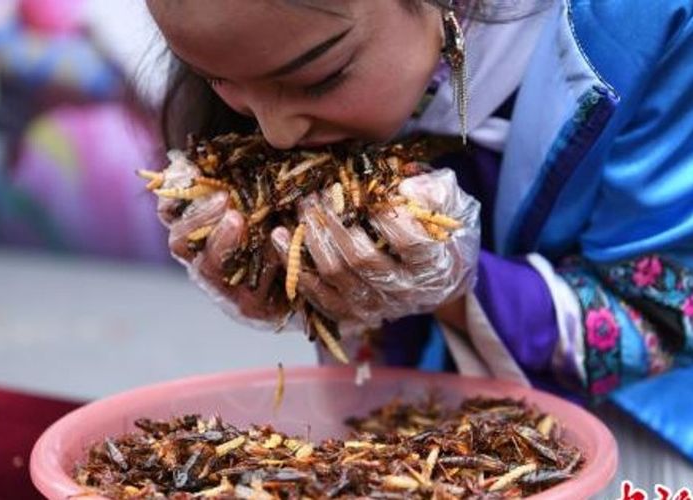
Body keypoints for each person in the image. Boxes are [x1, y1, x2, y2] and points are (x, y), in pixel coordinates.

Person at [145, 0, 693, 492]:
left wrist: (454, 280)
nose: (276, 133)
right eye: (217, 79)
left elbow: (663, 317)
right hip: (411, 437)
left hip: (635, 443)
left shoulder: (649, 24)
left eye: (319, 78)